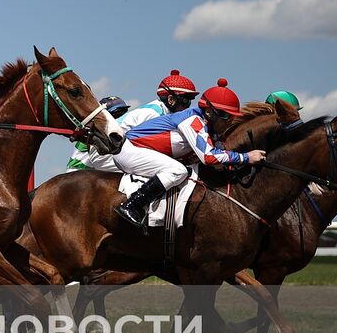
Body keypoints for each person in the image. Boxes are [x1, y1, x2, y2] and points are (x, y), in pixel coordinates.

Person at [112, 78, 267, 233]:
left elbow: (222, 153)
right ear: (209, 112)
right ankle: (132, 205)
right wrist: (246, 157)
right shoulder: (193, 120)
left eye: (232, 117)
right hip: (129, 151)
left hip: (139, 151)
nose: (229, 122)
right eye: (226, 116)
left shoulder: (207, 128)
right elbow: (209, 157)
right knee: (178, 171)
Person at [74, 71, 199, 172]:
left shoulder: (162, 111)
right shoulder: (154, 114)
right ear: (171, 99)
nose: (188, 106)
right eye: (186, 100)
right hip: (106, 153)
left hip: (116, 149)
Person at [67, 96, 130, 169]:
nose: (122, 116)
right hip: (80, 173)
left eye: (124, 112)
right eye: (117, 114)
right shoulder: (96, 134)